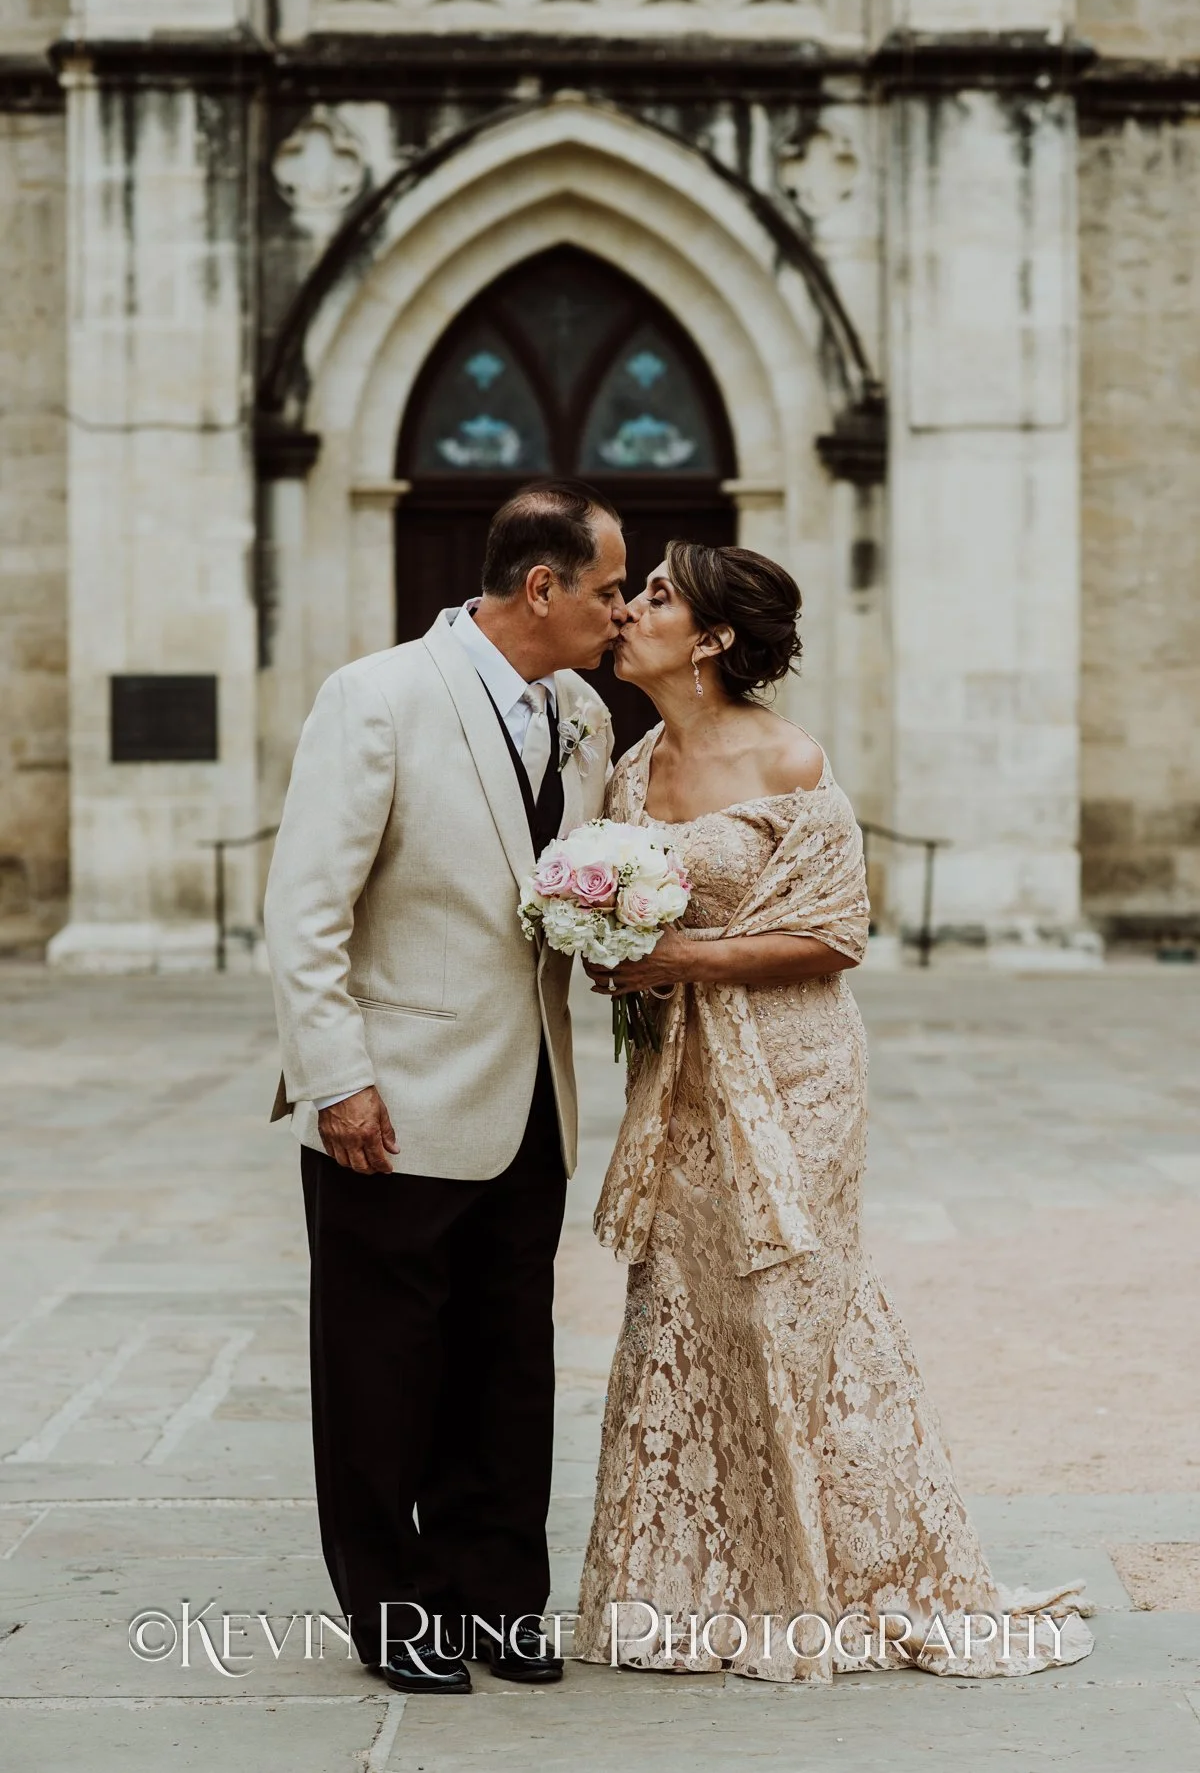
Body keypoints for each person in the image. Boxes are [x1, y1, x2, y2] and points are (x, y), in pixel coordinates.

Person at [574, 541, 1093, 1682]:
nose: (630, 609)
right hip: (681, 1082)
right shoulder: (632, 764)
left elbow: (836, 933)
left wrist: (679, 954)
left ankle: (832, 1576)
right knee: (683, 1299)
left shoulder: (789, 757)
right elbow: (627, 923)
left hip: (795, 1072)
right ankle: (688, 1586)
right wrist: (610, 951)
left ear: (712, 639)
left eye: (656, 595)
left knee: (792, 1306)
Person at [263, 480, 626, 1695]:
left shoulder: (583, 714)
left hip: (531, 1099)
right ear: (542, 587)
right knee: (382, 1368)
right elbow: (305, 912)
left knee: (511, 1359)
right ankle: (397, 1612)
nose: (621, 614)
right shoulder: (376, 697)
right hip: (393, 1099)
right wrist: (336, 1080)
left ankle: (498, 1597)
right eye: (609, 589)